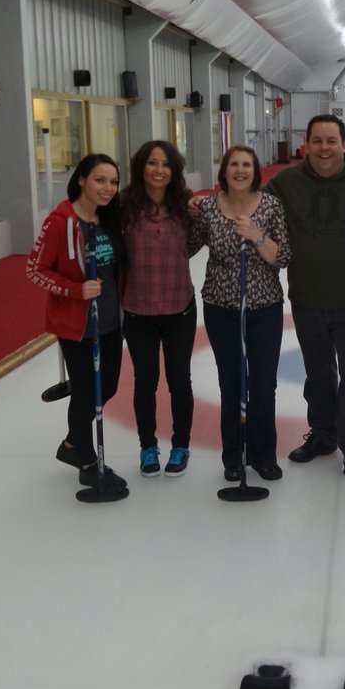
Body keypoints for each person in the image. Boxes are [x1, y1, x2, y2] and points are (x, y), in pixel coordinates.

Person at [266, 115, 345, 478]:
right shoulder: (286, 182)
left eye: (331, 141)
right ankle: (324, 434)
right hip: (307, 297)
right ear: (306, 144)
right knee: (318, 374)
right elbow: (249, 201)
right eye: (317, 141)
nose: (324, 148)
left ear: (344, 144)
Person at [26, 153, 129, 493]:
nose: (108, 188)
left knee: (108, 386)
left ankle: (72, 443)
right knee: (86, 392)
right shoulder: (61, 221)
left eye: (113, 182)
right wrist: (75, 290)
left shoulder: (109, 219)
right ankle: (86, 460)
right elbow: (35, 270)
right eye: (100, 180)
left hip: (111, 319)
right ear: (82, 180)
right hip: (77, 325)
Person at [191, 145, 291, 482]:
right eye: (233, 164)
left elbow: (283, 256)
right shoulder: (208, 207)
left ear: (255, 171)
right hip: (221, 308)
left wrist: (256, 235)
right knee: (231, 384)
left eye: (246, 164)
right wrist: (185, 212)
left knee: (262, 385)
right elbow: (188, 245)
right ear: (224, 171)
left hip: (264, 308)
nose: (240, 170)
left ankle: (263, 454)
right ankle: (233, 454)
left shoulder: (271, 206)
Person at [120, 140, 198, 479]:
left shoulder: (185, 205)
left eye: (165, 164)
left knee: (179, 380)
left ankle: (181, 445)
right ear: (141, 167)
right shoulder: (124, 207)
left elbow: (194, 243)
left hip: (179, 307)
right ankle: (148, 446)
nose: (159, 170)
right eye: (152, 163)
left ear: (174, 170)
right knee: (145, 382)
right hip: (138, 310)